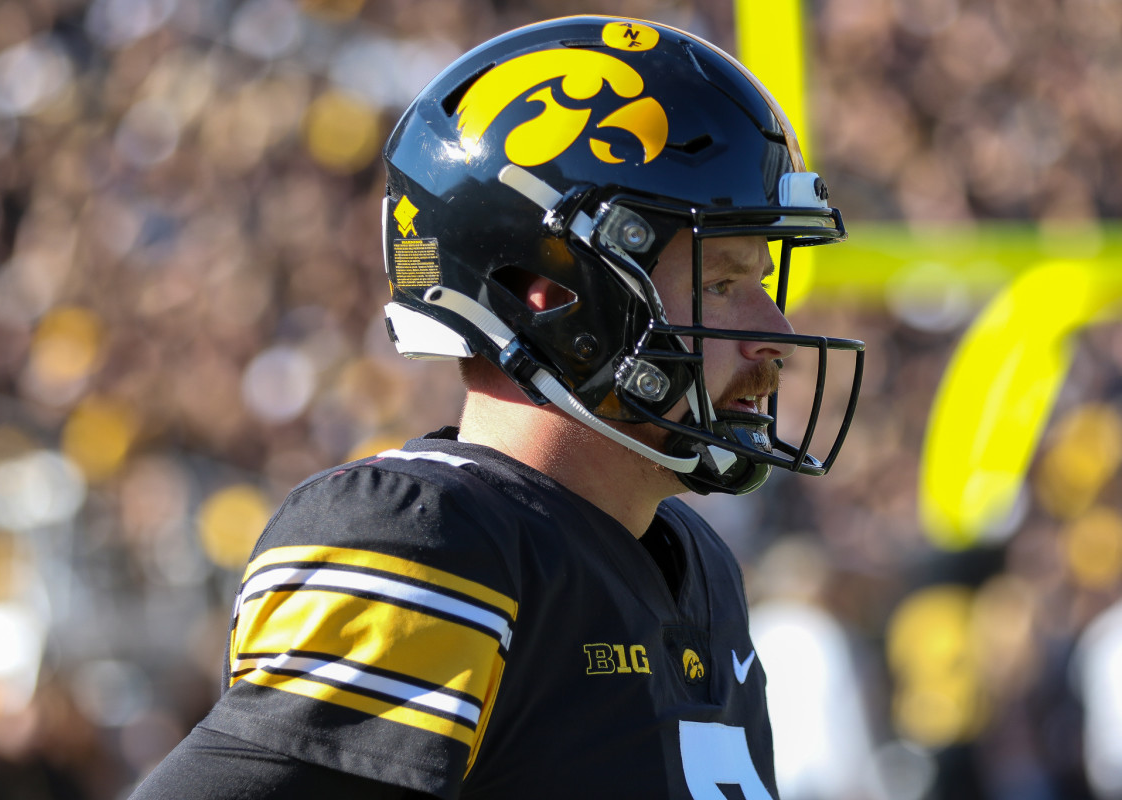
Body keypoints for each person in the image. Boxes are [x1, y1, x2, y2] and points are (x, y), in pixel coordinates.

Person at [131, 14, 864, 799]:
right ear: (548, 292)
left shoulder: (698, 564)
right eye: (721, 283)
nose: (777, 334)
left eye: (761, 281)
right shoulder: (428, 542)